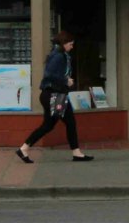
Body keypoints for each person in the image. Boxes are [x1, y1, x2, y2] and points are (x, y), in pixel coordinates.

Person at [16, 31, 92, 162]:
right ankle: (77, 153)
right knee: (70, 122)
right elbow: (49, 74)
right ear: (64, 43)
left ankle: (23, 149)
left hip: (51, 95)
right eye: (70, 44)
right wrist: (66, 80)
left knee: (48, 125)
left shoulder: (58, 54)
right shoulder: (59, 56)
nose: (72, 47)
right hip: (54, 95)